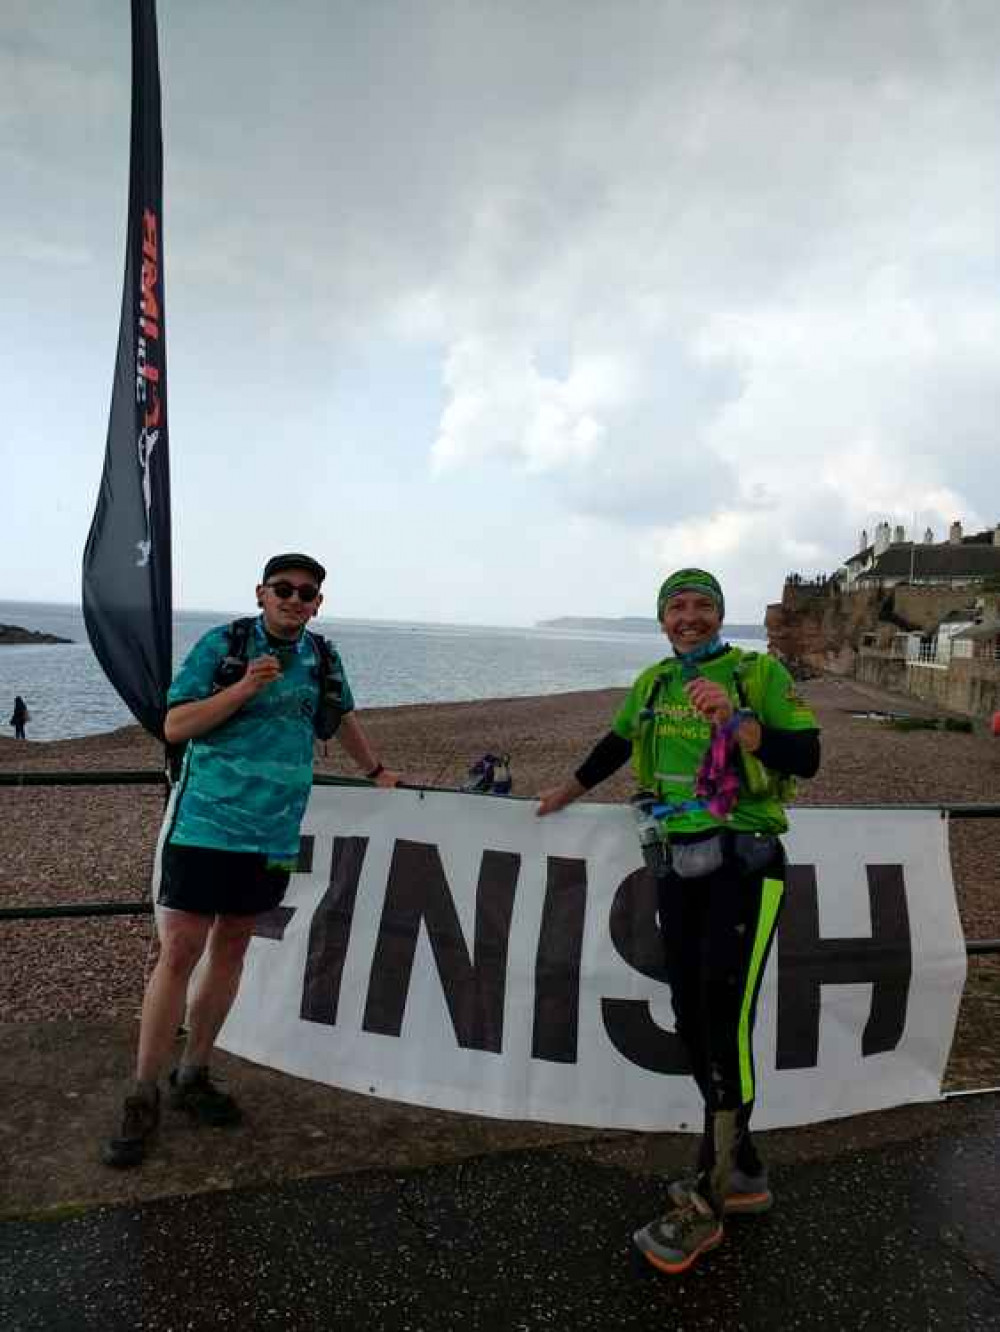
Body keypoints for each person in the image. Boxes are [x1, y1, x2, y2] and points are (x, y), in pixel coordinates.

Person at [537, 568, 820, 1276]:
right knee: (690, 1017)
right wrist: (563, 793)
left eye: (702, 605)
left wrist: (741, 724)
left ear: (721, 614)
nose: (688, 617)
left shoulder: (758, 673)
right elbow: (612, 744)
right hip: (676, 865)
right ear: (662, 618)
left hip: (744, 867)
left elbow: (807, 757)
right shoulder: (655, 684)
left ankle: (708, 1198)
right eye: (676, 606)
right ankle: (745, 1170)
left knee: (726, 1021)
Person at [104, 553, 400, 1168]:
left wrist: (375, 772)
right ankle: (142, 1091)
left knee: (234, 948)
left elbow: (340, 717)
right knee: (180, 952)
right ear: (262, 594)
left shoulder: (323, 657)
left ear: (318, 604)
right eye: (284, 590)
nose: (295, 600)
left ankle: (194, 1072)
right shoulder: (226, 644)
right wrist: (243, 688)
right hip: (206, 825)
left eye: (307, 593)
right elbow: (176, 724)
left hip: (271, 836)